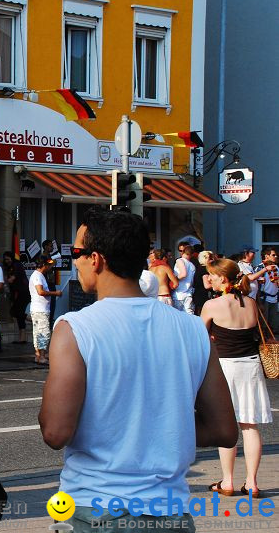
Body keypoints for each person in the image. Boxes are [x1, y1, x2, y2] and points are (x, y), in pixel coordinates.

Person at [39, 209, 237, 533]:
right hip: (170, 512)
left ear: (97, 259)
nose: (74, 261)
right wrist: (164, 427)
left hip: (95, 508)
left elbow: (55, 432)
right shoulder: (192, 329)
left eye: (76, 253)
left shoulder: (75, 328)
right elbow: (225, 430)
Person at [200, 258, 273, 498]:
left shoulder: (213, 305)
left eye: (211, 274)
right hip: (250, 366)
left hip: (225, 367)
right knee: (250, 426)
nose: (208, 278)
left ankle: (228, 481)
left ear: (223, 278)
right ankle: (252, 483)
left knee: (227, 424)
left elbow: (200, 338)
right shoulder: (251, 303)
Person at [29, 256, 60, 365]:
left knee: (38, 333)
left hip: (39, 309)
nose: (49, 267)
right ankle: (41, 356)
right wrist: (55, 293)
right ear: (44, 265)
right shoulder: (38, 276)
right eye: (48, 265)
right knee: (43, 332)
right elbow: (40, 291)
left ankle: (38, 356)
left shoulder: (38, 275)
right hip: (40, 310)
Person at [3, 251, 29, 344]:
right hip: (17, 293)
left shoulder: (17, 265)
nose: (6, 261)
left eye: (8, 259)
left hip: (23, 292)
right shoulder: (9, 267)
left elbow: (11, 279)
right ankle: (22, 337)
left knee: (18, 313)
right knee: (17, 313)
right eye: (5, 259)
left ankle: (32, 318)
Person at [254, 247, 278, 331]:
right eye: (273, 255)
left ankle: (271, 341)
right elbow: (255, 283)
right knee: (263, 323)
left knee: (273, 324)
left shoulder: (276, 268)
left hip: (274, 298)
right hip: (264, 299)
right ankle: (263, 342)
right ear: (266, 256)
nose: (276, 256)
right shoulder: (260, 268)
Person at [172, 244, 196, 314]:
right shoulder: (192, 265)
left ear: (183, 252)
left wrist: (174, 279)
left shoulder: (180, 260)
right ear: (192, 254)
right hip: (188, 293)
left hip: (179, 293)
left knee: (177, 315)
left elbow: (183, 274)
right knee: (189, 314)